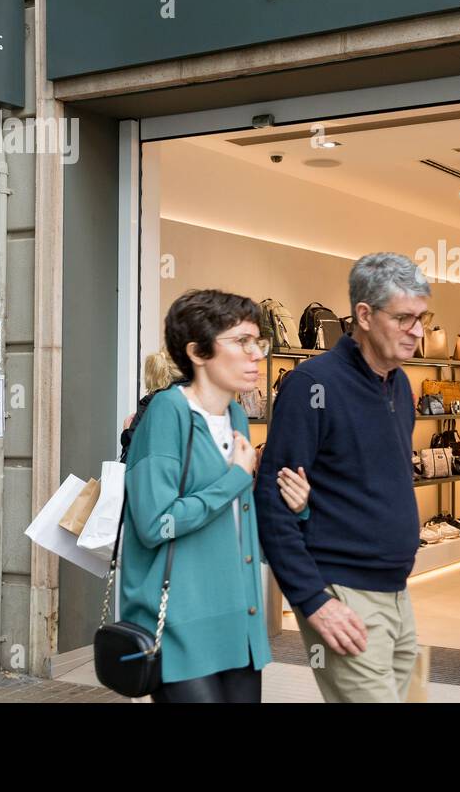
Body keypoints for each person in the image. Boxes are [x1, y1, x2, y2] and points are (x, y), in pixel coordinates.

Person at [119, 289, 310, 703]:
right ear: (198, 352)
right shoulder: (167, 413)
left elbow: (236, 520)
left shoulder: (237, 414)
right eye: (240, 342)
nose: (256, 354)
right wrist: (235, 479)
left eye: (258, 342)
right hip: (180, 626)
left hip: (238, 623)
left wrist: (296, 508)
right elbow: (154, 524)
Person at [256, 253, 429, 702]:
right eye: (405, 318)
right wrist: (314, 600)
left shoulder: (399, 385)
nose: (419, 331)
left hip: (396, 592)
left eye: (422, 318)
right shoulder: (312, 385)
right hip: (342, 593)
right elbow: (273, 502)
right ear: (365, 316)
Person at [120, 350, 182, 461]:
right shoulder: (185, 400)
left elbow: (134, 452)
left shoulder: (149, 405)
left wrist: (127, 432)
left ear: (150, 376)